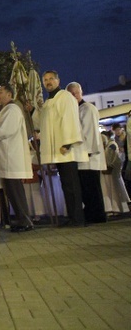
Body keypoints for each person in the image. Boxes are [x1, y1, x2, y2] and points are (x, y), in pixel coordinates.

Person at [31, 71, 88, 226]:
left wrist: (67, 143)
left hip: (66, 150)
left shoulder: (65, 97)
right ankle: (72, 217)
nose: (48, 82)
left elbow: (70, 119)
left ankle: (78, 218)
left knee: (72, 185)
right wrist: (31, 110)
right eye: (45, 80)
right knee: (66, 185)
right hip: (59, 152)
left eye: (51, 79)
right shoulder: (49, 102)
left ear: (58, 80)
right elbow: (42, 123)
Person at [0, 84, 34, 232]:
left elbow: (5, 131)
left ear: (10, 95)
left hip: (10, 157)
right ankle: (21, 219)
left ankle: (25, 220)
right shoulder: (6, 110)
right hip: (6, 157)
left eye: (1, 92)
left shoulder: (12, 110)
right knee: (11, 191)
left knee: (15, 191)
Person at [66, 82, 107, 224]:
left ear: (81, 93)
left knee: (92, 188)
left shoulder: (87, 108)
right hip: (81, 156)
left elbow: (89, 132)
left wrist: (88, 151)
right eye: (71, 94)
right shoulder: (76, 109)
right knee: (86, 189)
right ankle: (91, 213)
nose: (74, 96)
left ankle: (98, 215)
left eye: (76, 93)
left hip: (89, 156)